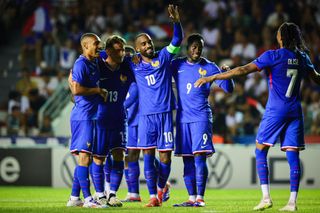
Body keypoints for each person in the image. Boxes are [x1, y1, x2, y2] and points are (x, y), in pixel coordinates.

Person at [194, 22, 320, 211]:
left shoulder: (273, 55)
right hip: (295, 110)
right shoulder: (302, 57)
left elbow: (243, 70)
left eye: (278, 33)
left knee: (260, 149)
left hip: (276, 110)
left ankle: (266, 198)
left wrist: (213, 77)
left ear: (281, 37)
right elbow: (316, 77)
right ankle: (292, 202)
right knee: (293, 154)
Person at [127, 4, 183, 207]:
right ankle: (153, 197)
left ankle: (161, 189)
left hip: (166, 114)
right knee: (148, 155)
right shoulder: (133, 64)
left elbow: (177, 40)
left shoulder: (164, 57)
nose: (148, 45)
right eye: (143, 44)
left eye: (149, 41)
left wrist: (176, 22)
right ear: (138, 49)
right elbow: (114, 56)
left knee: (165, 157)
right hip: (145, 117)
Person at [171, 33, 234, 207]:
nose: (197, 50)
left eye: (200, 47)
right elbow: (159, 69)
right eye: (194, 47)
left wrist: (227, 74)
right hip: (182, 119)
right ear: (187, 48)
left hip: (201, 118)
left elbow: (228, 89)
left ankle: (200, 198)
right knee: (187, 159)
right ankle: (191, 198)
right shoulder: (177, 64)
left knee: (199, 157)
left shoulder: (210, 66)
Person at [67, 33, 108, 208]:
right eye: (96, 44)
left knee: (86, 158)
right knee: (84, 157)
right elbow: (76, 89)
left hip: (89, 115)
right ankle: (89, 200)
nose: (99, 47)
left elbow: (110, 54)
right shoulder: (81, 63)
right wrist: (98, 91)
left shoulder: (94, 61)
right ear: (85, 46)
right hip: (83, 116)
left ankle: (74, 198)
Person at [94, 35, 135, 207]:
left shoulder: (126, 67)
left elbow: (139, 61)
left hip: (119, 118)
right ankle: (99, 194)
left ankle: (112, 194)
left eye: (123, 49)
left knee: (119, 155)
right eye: (118, 50)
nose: (122, 53)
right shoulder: (98, 67)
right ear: (109, 51)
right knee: (98, 158)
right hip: (100, 119)